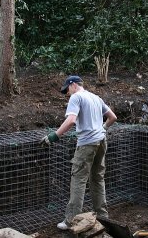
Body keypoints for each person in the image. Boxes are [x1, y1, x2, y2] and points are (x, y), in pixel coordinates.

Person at [40, 75, 117, 230]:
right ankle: (103, 217)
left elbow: (70, 121)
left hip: (87, 143)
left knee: (78, 180)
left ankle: (71, 221)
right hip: (101, 142)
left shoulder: (76, 97)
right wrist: (102, 128)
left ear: (73, 85)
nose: (68, 94)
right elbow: (112, 117)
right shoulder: (96, 97)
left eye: (67, 89)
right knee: (97, 179)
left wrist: (53, 136)